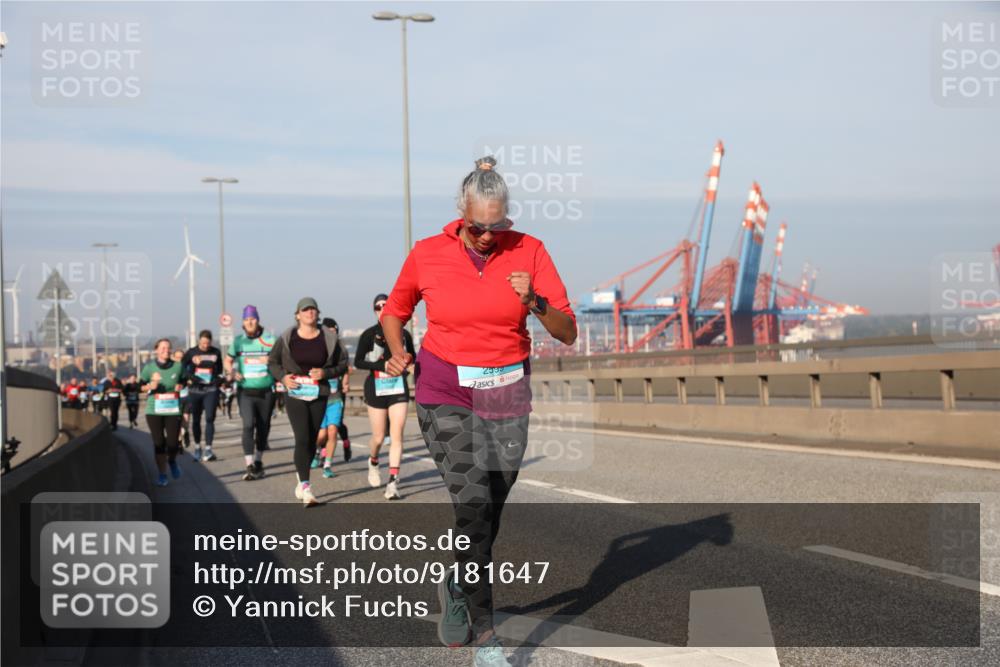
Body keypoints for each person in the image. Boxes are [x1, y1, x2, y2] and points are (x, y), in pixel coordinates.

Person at [381, 156, 577, 665]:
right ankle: (485, 634)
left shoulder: (530, 250)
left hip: (507, 392)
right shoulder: (427, 253)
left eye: (498, 226)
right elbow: (394, 311)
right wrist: (397, 347)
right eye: (477, 226)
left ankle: (455, 581)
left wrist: (533, 300)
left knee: (491, 504)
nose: (488, 235)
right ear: (460, 214)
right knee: (472, 503)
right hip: (445, 388)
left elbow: (566, 330)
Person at [267, 297, 345, 506]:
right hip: (295, 393)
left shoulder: (329, 338)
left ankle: (301, 475)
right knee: (302, 437)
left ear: (318, 313)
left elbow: (343, 363)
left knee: (311, 439)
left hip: (318, 392)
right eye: (305, 310)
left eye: (313, 309)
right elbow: (272, 362)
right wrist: (283, 377)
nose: (310, 313)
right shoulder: (287, 337)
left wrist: (325, 372)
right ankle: (306, 486)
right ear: (298, 315)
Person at [354, 294, 415, 500]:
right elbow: (359, 362)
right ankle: (373, 461)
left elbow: (412, 356)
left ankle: (392, 482)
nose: (382, 309)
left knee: (397, 435)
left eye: (385, 305)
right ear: (374, 311)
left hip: (398, 387)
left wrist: (411, 365)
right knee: (379, 437)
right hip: (376, 386)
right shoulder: (368, 335)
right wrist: (383, 365)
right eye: (378, 307)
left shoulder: (403, 334)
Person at [225, 305, 277, 481]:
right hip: (245, 391)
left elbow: (281, 360)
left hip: (266, 392)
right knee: (248, 425)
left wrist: (269, 360)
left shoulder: (270, 340)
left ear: (258, 320)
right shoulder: (238, 341)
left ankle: (258, 460)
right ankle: (249, 465)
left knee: (263, 427)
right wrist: (232, 372)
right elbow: (227, 360)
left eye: (252, 319)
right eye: (247, 320)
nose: (250, 322)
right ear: (243, 322)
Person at [140, 338, 187, 487]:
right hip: (154, 410)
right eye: (163, 347)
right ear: (156, 350)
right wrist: (150, 386)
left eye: (168, 348)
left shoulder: (178, 367)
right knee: (159, 443)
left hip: (173, 409)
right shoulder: (149, 368)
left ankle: (172, 460)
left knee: (173, 444)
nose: (166, 350)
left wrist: (181, 385)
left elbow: (185, 380)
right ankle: (162, 474)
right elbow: (139, 386)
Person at [311, 317, 351, 478]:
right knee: (321, 435)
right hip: (320, 398)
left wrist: (346, 381)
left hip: (335, 398)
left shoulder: (339, 350)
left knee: (333, 431)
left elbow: (344, 367)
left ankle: (327, 465)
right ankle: (314, 452)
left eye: (334, 332)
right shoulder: (316, 349)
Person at [182, 330, 223, 462]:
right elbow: (182, 368)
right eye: (203, 343)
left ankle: (209, 449)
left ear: (211, 342)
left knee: (210, 418)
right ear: (199, 341)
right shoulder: (191, 352)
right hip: (195, 390)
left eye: (208, 343)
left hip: (210, 389)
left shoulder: (216, 352)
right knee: (196, 419)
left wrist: (218, 380)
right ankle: (198, 447)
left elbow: (220, 369)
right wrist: (190, 377)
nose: (205, 345)